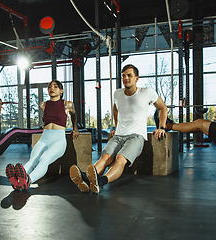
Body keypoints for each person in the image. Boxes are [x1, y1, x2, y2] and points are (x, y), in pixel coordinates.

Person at [69, 64, 168, 194]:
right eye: (123, 76)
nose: (126, 78)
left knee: (120, 159)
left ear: (136, 78)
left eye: (129, 75)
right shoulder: (117, 93)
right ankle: (87, 180)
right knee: (105, 158)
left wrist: (161, 127)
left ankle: (101, 181)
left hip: (136, 136)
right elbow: (115, 109)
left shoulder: (147, 92)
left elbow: (163, 108)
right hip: (118, 135)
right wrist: (117, 126)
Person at [6, 80, 80, 191]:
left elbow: (74, 116)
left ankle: (29, 180)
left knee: (44, 159)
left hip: (58, 140)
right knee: (33, 160)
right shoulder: (43, 105)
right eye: (50, 86)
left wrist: (75, 129)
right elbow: (45, 119)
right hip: (45, 137)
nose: (52, 88)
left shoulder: (67, 104)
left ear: (61, 90)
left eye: (55, 86)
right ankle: (17, 179)